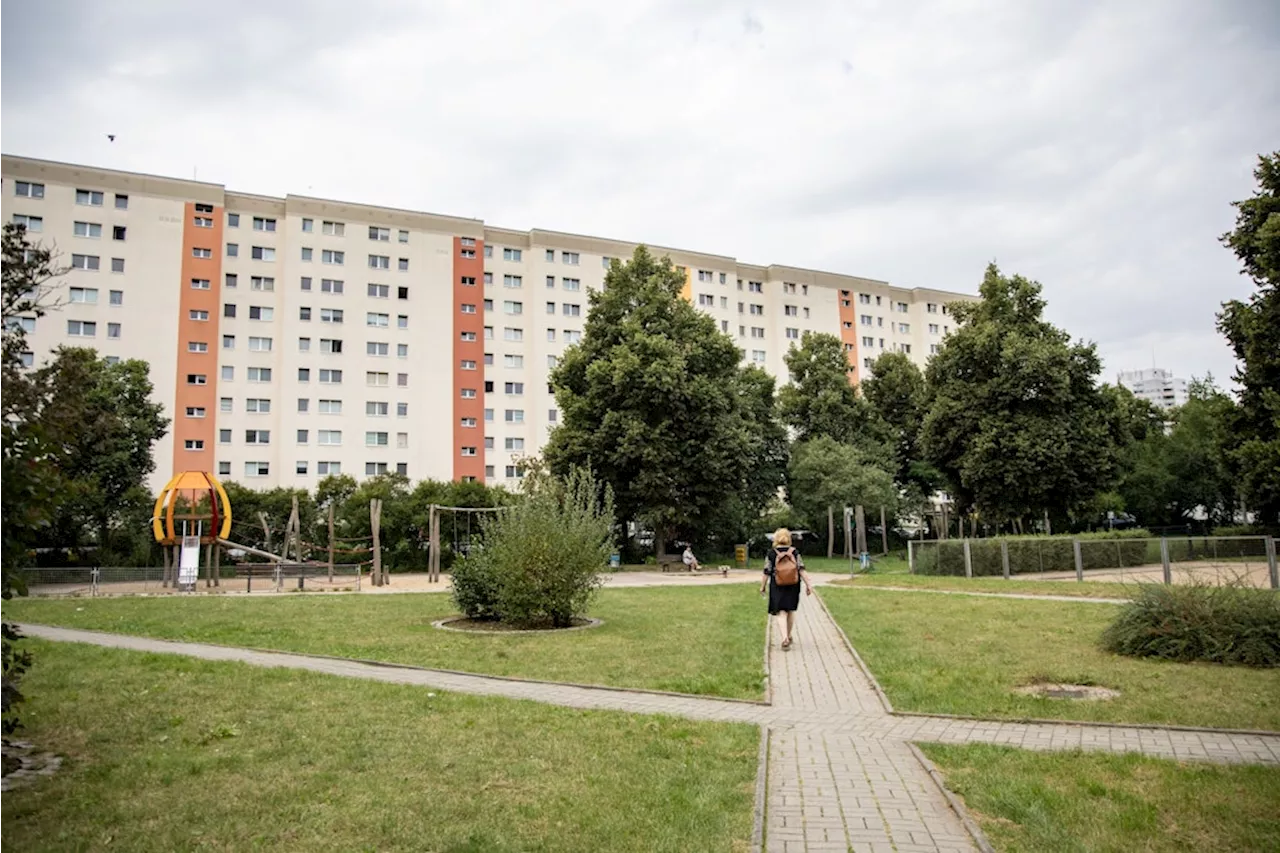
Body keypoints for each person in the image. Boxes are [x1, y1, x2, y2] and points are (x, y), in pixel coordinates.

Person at [759, 528, 812, 650]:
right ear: (789, 538)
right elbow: (801, 569)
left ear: (776, 539)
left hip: (777, 585)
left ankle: (784, 638)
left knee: (781, 612)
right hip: (793, 584)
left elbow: (766, 571)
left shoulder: (771, 553)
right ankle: (788, 635)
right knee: (790, 610)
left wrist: (762, 586)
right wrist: (809, 585)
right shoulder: (794, 552)